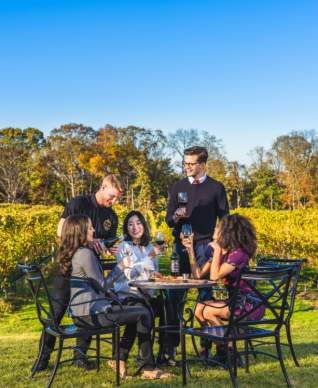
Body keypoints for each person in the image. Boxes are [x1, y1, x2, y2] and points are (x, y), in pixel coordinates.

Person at [33, 174, 124, 373]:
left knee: (89, 308)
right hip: (67, 267)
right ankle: (43, 358)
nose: (114, 202)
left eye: (117, 198)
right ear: (102, 187)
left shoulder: (111, 217)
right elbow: (60, 231)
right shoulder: (79, 203)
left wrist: (110, 249)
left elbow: (105, 243)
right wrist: (87, 240)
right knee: (55, 313)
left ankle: (80, 356)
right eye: (112, 196)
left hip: (90, 271)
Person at [64, 214, 171, 379]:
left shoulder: (82, 252)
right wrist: (120, 267)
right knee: (143, 313)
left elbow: (99, 286)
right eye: (90, 227)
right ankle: (146, 367)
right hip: (91, 313)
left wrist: (111, 290)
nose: (94, 230)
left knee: (142, 310)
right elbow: (103, 285)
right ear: (81, 231)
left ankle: (124, 359)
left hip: (86, 311)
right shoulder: (85, 254)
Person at [165, 145, 229, 359]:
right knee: (173, 297)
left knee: (205, 297)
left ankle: (206, 347)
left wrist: (216, 242)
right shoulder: (177, 187)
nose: (187, 167)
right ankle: (171, 348)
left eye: (191, 164)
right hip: (180, 248)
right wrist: (176, 216)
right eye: (185, 163)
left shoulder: (216, 188)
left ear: (203, 164)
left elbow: (225, 220)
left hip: (204, 248)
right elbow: (168, 220)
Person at [182, 213, 264, 364]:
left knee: (205, 310)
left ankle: (227, 350)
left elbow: (214, 277)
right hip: (235, 302)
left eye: (219, 226)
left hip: (248, 305)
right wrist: (190, 250)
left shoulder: (239, 254)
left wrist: (218, 251)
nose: (215, 228)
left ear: (228, 231)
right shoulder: (223, 252)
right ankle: (225, 350)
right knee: (198, 309)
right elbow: (199, 274)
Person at [113, 210, 168, 361]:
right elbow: (129, 275)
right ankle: (142, 360)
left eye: (138, 223)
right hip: (128, 294)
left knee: (168, 306)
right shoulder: (123, 247)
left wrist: (155, 275)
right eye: (130, 224)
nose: (135, 227)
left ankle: (165, 352)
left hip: (145, 294)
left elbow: (152, 272)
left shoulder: (149, 246)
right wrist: (149, 257)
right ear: (126, 228)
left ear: (143, 225)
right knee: (143, 311)